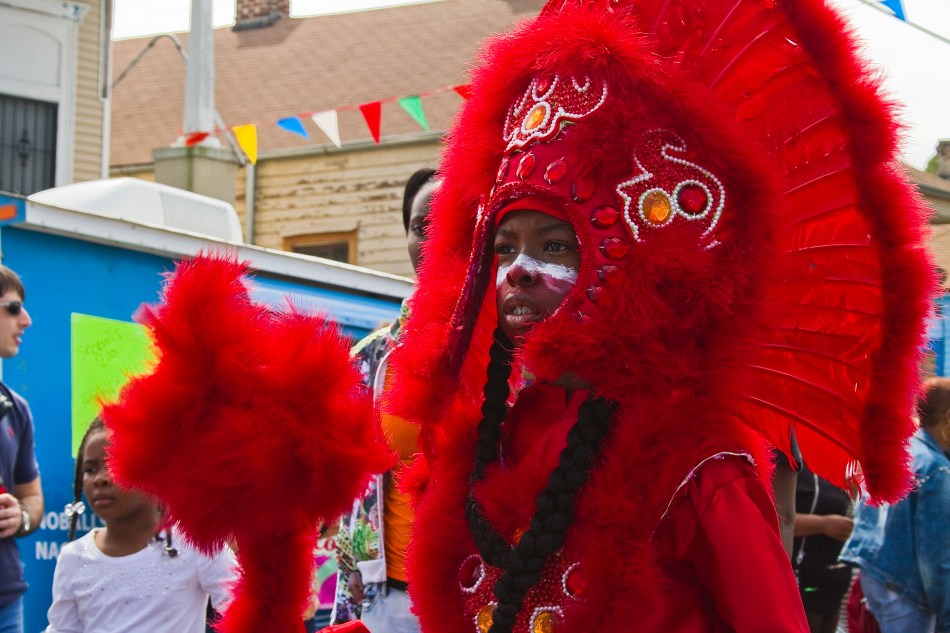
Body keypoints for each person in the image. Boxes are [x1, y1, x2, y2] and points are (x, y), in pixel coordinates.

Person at [380, 0, 935, 631]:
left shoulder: (696, 463)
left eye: (555, 246)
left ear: (623, 270)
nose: (519, 272)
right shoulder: (486, 443)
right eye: (504, 248)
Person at [331, 168, 438, 631]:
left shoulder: (520, 351)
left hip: (486, 598)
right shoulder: (371, 360)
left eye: (452, 221)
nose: (434, 239)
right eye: (421, 227)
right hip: (388, 601)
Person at [45, 418, 237, 633]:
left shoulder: (197, 544)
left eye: (114, 464)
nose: (100, 479)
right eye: (90, 469)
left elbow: (245, 615)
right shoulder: (73, 558)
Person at [839, 377, 950, 633]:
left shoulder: (899, 453)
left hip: (875, 584)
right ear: (947, 417)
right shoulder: (936, 469)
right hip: (907, 595)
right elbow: (936, 558)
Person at [0, 265, 42, 633]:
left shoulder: (15, 408)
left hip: (6, 600)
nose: (26, 320)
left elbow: (32, 498)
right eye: (13, 308)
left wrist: (21, 517)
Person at [793, 462, 855, 633]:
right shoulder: (792, 464)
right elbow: (775, 521)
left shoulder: (834, 467)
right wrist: (823, 524)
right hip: (803, 589)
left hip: (832, 595)